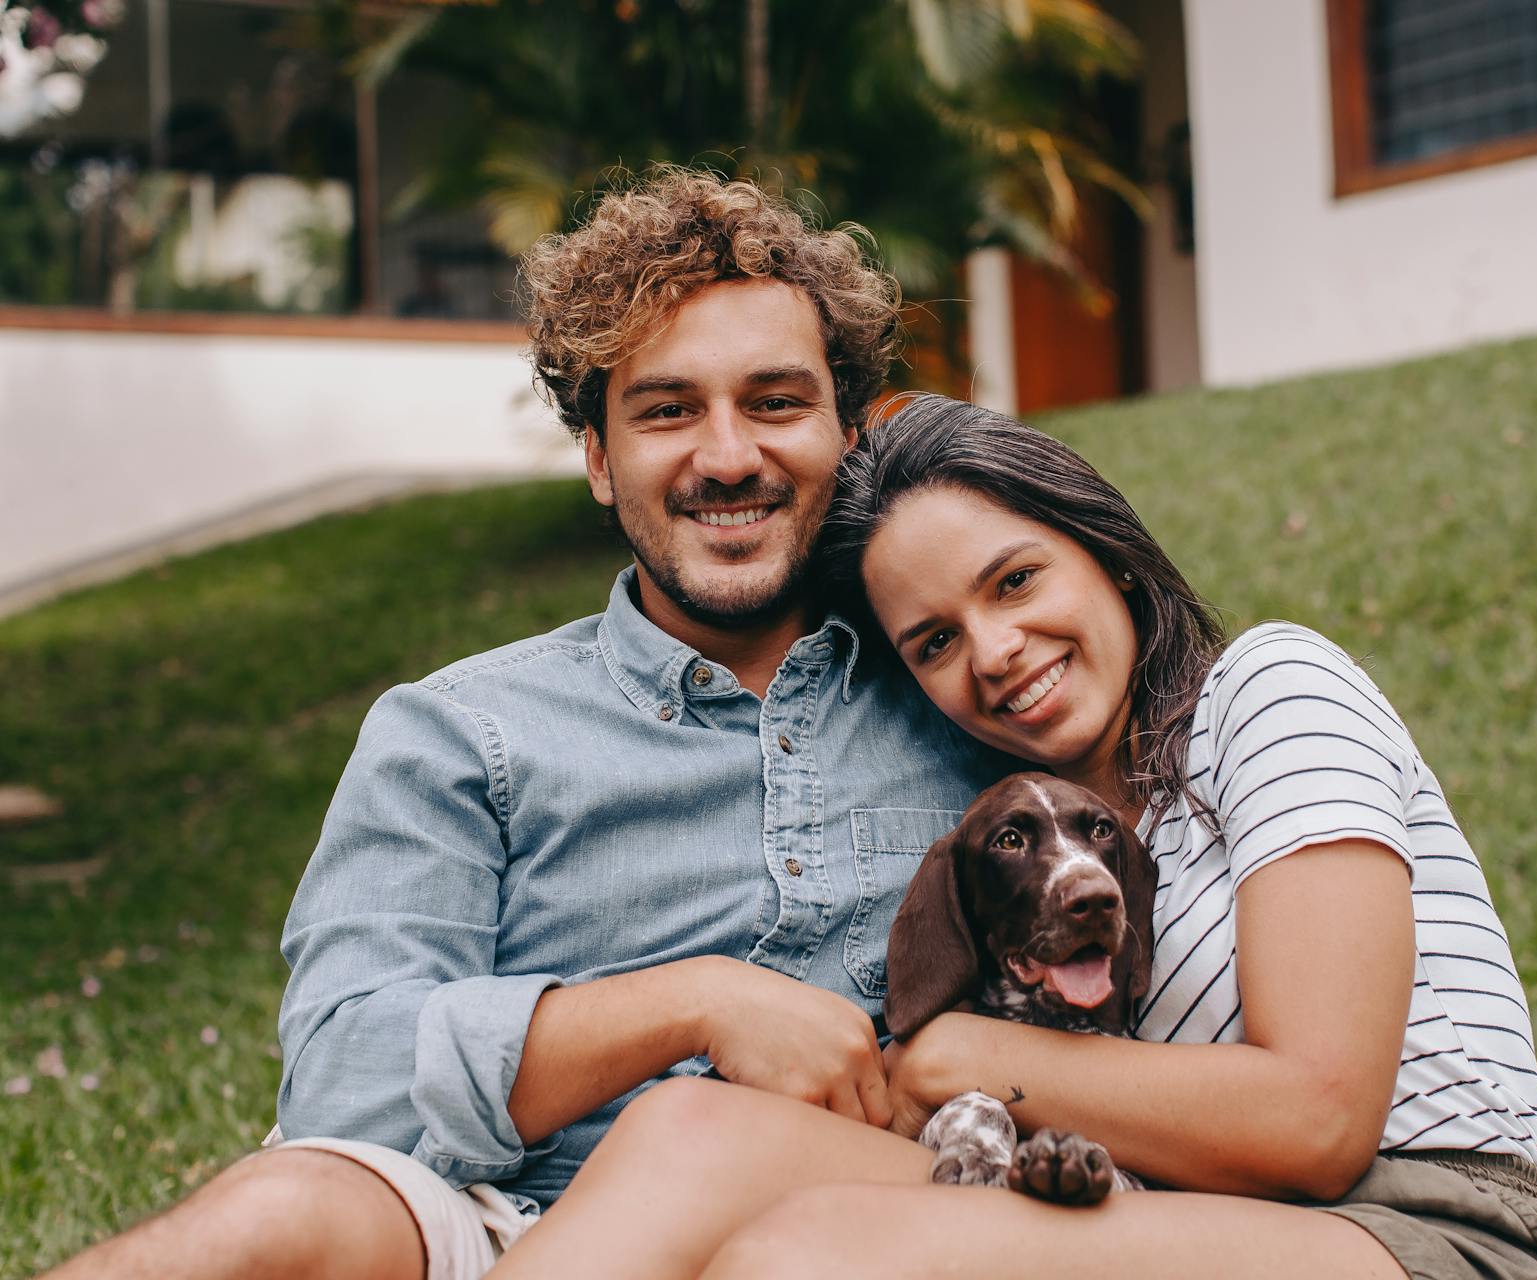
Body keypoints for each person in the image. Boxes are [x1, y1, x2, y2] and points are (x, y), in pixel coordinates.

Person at [40, 174, 1011, 1280]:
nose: (729, 455)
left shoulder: (962, 692)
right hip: (497, 1222)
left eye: (777, 402)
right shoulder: (456, 734)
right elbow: (344, 1076)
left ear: (849, 431)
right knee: (274, 1215)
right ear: (599, 457)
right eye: (667, 409)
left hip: (854, 1234)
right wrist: (689, 1003)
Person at [483, 395, 1537, 1280]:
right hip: (1202, 1222)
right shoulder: (1016, 828)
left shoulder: (1267, 690)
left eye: (1016, 580)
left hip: (1439, 1231)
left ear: (1104, 548)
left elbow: (1320, 1118)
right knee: (693, 1133)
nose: (998, 649)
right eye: (934, 640)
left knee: (814, 1256)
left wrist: (960, 1056)